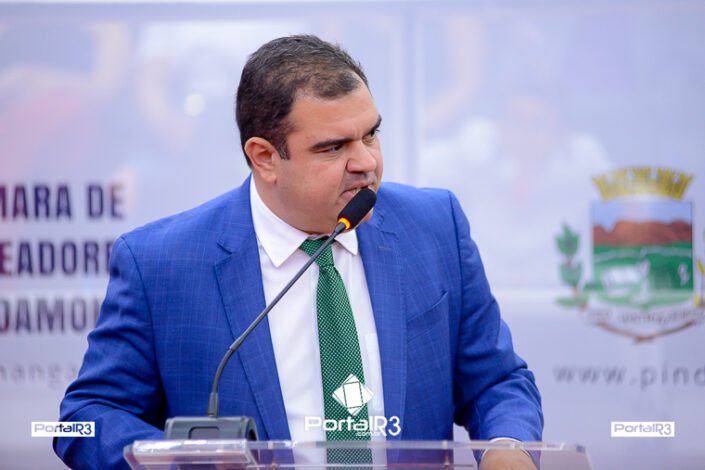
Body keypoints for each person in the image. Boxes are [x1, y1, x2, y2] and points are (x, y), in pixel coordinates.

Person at [55, 35, 543, 469]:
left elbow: (496, 381)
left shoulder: (434, 227)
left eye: (371, 134)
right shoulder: (161, 263)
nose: (367, 163)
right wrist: (180, 463)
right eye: (333, 148)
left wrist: (508, 447)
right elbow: (86, 418)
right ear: (265, 157)